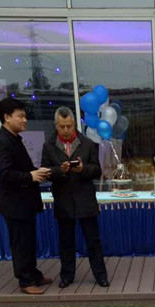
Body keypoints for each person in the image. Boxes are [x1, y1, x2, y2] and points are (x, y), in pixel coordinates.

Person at [41, 107, 109, 288]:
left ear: (74, 124)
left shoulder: (87, 143)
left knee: (93, 241)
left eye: (69, 126)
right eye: (61, 126)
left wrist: (82, 169)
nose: (65, 130)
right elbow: (45, 172)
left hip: (85, 200)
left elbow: (97, 170)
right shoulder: (48, 145)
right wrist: (60, 170)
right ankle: (67, 276)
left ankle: (101, 275)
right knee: (66, 242)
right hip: (63, 201)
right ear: (56, 125)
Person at [0, 98, 52, 295]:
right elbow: (3, 173)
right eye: (21, 116)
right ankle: (25, 281)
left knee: (29, 241)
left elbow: (20, 168)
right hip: (14, 204)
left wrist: (37, 172)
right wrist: (30, 176)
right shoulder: (2, 142)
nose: (25, 120)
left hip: (24, 203)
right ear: (7, 117)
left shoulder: (14, 138)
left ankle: (33, 274)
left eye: (25, 116)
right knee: (21, 243)